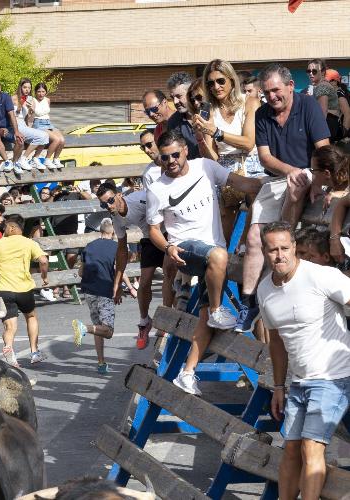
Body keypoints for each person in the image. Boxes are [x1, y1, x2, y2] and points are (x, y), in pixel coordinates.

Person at [145, 130, 262, 395]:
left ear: (185, 150)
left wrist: (271, 185)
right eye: (165, 158)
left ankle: (187, 373)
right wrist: (168, 246)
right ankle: (219, 309)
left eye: (175, 154)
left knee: (205, 318)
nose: (171, 161)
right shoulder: (156, 189)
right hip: (185, 249)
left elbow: (239, 183)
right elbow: (153, 229)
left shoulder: (205, 167)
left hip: (212, 255)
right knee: (219, 257)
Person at [257, 222, 350, 500]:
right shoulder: (265, 289)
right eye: (272, 249)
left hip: (333, 378)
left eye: (285, 248)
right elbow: (276, 341)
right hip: (298, 383)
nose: (279, 255)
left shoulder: (321, 276)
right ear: (263, 251)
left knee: (312, 447)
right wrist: (278, 386)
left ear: (294, 247)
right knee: (291, 450)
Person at [235, 63, 331, 333]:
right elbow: (265, 156)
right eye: (266, 92)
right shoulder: (263, 113)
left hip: (308, 172)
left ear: (290, 86)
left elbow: (324, 148)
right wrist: (291, 171)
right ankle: (248, 301)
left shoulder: (309, 105)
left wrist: (318, 179)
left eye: (276, 90)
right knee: (254, 237)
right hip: (276, 177)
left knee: (296, 186)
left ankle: (284, 240)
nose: (271, 96)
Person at [194, 59, 262, 239]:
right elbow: (212, 157)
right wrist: (200, 138)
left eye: (220, 81)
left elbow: (248, 143)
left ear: (232, 80)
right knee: (224, 225)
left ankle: (245, 247)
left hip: (251, 163)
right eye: (210, 83)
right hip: (224, 167)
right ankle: (225, 258)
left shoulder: (250, 102)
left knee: (257, 210)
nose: (216, 87)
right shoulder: (207, 110)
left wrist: (216, 132)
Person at [96, 181, 165, 349]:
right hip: (150, 239)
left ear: (120, 195)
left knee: (170, 278)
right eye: (103, 204)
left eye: (111, 200)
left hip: (170, 234)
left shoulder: (141, 198)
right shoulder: (116, 219)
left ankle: (168, 322)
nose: (108, 206)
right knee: (144, 282)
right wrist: (117, 283)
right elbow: (121, 251)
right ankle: (144, 322)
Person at [0, 214, 50, 367]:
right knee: (31, 317)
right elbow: (43, 260)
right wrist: (44, 277)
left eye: (5, 228)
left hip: (4, 290)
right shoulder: (29, 243)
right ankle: (34, 351)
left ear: (12, 228)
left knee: (9, 326)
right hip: (24, 289)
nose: (3, 231)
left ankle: (10, 350)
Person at [71, 219, 118, 374]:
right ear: (113, 232)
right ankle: (83, 328)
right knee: (108, 331)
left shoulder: (89, 246)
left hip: (89, 290)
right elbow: (119, 270)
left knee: (98, 327)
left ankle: (101, 363)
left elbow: (80, 272)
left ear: (101, 231)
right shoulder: (116, 247)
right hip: (105, 289)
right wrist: (128, 287)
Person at [12, 78, 51, 172]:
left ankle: (26, 159)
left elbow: (29, 119)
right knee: (43, 135)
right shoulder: (14, 98)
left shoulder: (30, 100)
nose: (27, 90)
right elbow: (12, 114)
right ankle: (23, 159)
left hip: (23, 125)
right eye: (25, 87)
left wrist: (31, 111)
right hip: (15, 125)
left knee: (45, 136)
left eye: (29, 88)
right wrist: (21, 105)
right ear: (20, 87)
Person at [165, 72, 200, 160]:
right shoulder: (173, 122)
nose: (175, 102)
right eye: (172, 98)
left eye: (179, 96)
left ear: (191, 93)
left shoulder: (209, 113)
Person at [307, 59, 342, 142]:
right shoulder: (322, 85)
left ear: (322, 72)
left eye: (314, 71)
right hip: (329, 126)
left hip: (326, 126)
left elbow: (322, 113)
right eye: (308, 71)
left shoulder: (322, 86)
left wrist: (315, 131)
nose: (311, 74)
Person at [32, 82, 65, 169]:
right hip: (38, 123)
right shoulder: (33, 100)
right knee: (56, 139)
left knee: (62, 140)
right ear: (35, 92)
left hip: (48, 123)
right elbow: (35, 114)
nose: (41, 94)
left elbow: (47, 114)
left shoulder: (47, 100)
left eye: (43, 91)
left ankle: (56, 159)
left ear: (46, 92)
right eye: (39, 91)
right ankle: (47, 160)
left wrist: (51, 126)